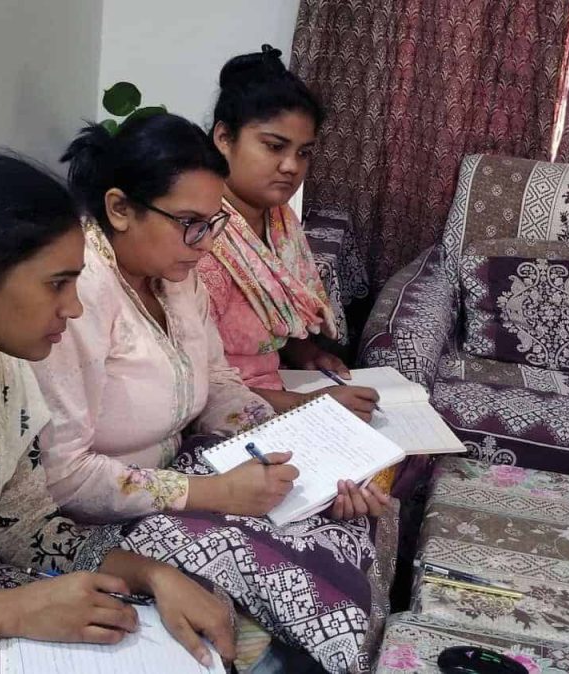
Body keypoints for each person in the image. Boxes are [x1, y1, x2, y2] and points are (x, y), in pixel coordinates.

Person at [31, 113, 395, 673]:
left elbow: (218, 386)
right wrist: (215, 494)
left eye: (211, 223)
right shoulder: (77, 295)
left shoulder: (175, 274)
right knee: (306, 601)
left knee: (336, 523)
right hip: (100, 513)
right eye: (188, 223)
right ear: (119, 208)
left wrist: (311, 449)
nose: (205, 244)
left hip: (187, 469)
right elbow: (66, 478)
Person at [0, 155, 233, 674]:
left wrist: (150, 575)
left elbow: (26, 524)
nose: (74, 308)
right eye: (57, 284)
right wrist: (7, 611)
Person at [197, 45, 380, 420]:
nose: (290, 166)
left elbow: (269, 328)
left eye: (304, 152)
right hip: (222, 414)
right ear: (223, 138)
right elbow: (195, 388)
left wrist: (306, 354)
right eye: (274, 146)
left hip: (278, 389)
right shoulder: (198, 235)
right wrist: (312, 407)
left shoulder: (280, 223)